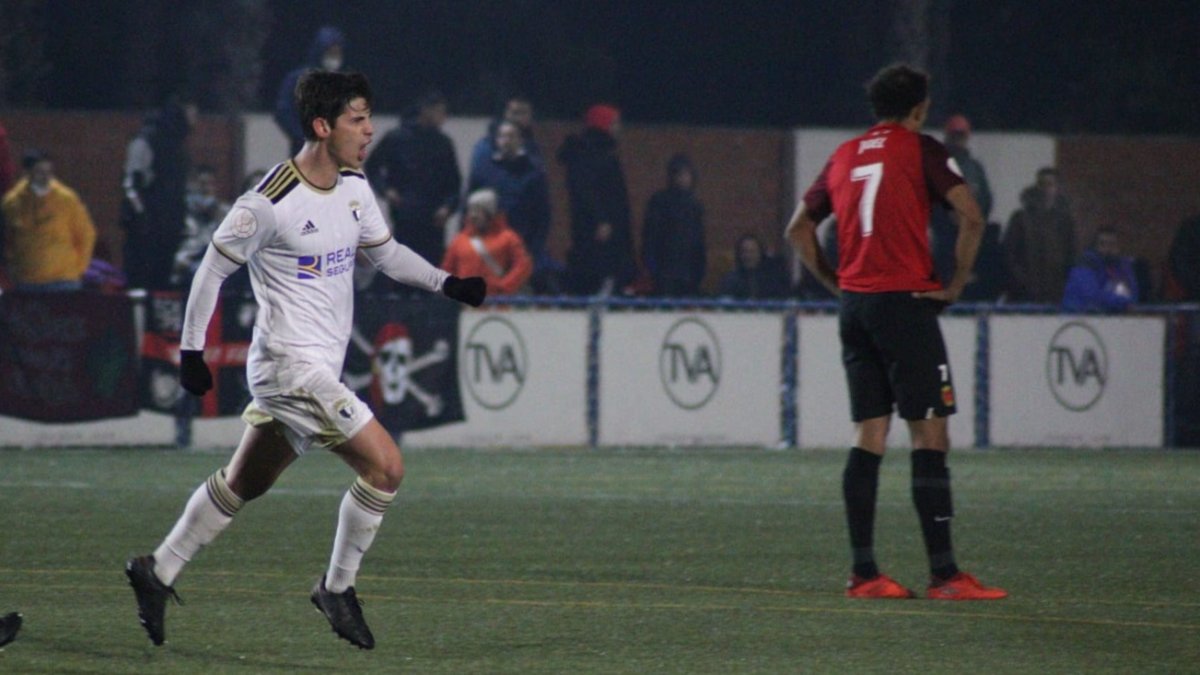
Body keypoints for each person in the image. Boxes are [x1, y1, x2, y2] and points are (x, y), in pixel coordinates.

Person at [124, 70, 487, 651]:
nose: (370, 130)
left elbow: (387, 254)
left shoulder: (353, 187)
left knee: (245, 481)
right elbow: (211, 270)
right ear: (323, 125)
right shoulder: (268, 202)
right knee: (386, 468)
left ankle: (157, 569)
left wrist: (448, 285)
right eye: (358, 119)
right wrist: (191, 352)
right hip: (290, 369)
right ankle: (336, 588)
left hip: (318, 368)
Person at [785, 63, 1005, 601]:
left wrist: (837, 284)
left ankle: (864, 574)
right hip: (906, 302)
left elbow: (797, 229)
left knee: (870, 434)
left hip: (856, 307)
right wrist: (953, 284)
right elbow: (972, 217)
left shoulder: (843, 156)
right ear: (920, 108)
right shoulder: (923, 150)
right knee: (930, 433)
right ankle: (946, 576)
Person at [365, 90, 462, 267]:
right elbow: (372, 167)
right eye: (440, 112)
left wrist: (448, 207)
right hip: (405, 215)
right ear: (426, 111)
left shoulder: (443, 143)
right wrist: (386, 190)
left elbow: (454, 183)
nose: (443, 117)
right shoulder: (396, 138)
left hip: (434, 219)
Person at [465, 120, 553, 292]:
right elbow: (469, 206)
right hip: (486, 247)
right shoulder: (484, 169)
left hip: (520, 247)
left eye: (511, 136)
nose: (506, 140)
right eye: (502, 136)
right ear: (497, 140)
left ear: (520, 140)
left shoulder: (533, 172)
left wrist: (534, 248)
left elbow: (543, 214)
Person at [558, 103, 637, 295]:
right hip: (598, 238)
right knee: (597, 280)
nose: (618, 128)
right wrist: (600, 219)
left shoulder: (602, 154)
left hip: (607, 234)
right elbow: (585, 191)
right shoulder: (587, 155)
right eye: (614, 123)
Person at [120, 95, 197, 291]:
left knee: (163, 279)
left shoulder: (177, 147)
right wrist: (142, 217)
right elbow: (131, 183)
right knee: (142, 278)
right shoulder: (147, 141)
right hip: (148, 226)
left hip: (168, 225)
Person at [1, 150, 97, 292]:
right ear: (27, 173)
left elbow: (86, 234)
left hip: (64, 281)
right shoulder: (12, 202)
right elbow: (7, 239)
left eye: (49, 171)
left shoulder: (66, 199)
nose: (46, 177)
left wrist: (79, 269)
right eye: (40, 172)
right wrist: (13, 269)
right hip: (27, 282)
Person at [929, 115, 993, 286]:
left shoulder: (975, 168)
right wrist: (947, 215)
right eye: (954, 136)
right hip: (943, 236)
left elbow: (986, 200)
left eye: (961, 136)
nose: (958, 140)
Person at [1003, 167, 1076, 303]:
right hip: (1023, 293)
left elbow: (1071, 256)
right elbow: (1009, 254)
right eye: (1042, 184)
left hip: (1055, 293)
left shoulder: (1065, 222)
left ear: (1057, 188)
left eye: (1050, 184)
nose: (1045, 189)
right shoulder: (1020, 219)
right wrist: (1023, 281)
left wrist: (1063, 284)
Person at [441, 188, 533, 296]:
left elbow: (523, 266)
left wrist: (504, 286)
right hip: (465, 303)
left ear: (490, 214)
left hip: (496, 303)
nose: (473, 215)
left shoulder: (508, 238)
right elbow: (447, 269)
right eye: (471, 210)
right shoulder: (459, 240)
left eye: (478, 211)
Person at [642, 153, 707, 297]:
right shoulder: (659, 202)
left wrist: (699, 270)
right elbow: (650, 237)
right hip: (664, 272)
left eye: (686, 174)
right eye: (679, 174)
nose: (683, 179)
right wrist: (653, 269)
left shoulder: (695, 206)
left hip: (689, 273)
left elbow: (699, 241)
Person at [275, 25, 345, 156]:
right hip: (304, 152)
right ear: (320, 52)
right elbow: (282, 112)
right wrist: (302, 136)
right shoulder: (298, 79)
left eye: (337, 53)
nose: (335, 58)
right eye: (330, 53)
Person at [1061, 228, 1138, 313]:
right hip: (1078, 317)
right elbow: (1091, 296)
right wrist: (1122, 302)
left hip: (1111, 318)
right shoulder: (1085, 263)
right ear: (1095, 246)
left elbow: (1131, 296)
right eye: (1102, 244)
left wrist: (1123, 302)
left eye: (1112, 244)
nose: (1108, 248)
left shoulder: (1122, 267)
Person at [468, 96, 542, 177]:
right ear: (506, 113)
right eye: (515, 113)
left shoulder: (534, 148)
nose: (519, 118)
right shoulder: (486, 147)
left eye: (524, 113)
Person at [717, 234, 789, 299]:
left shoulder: (773, 279)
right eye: (745, 251)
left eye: (752, 251)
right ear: (739, 254)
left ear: (760, 253)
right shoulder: (731, 279)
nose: (748, 256)